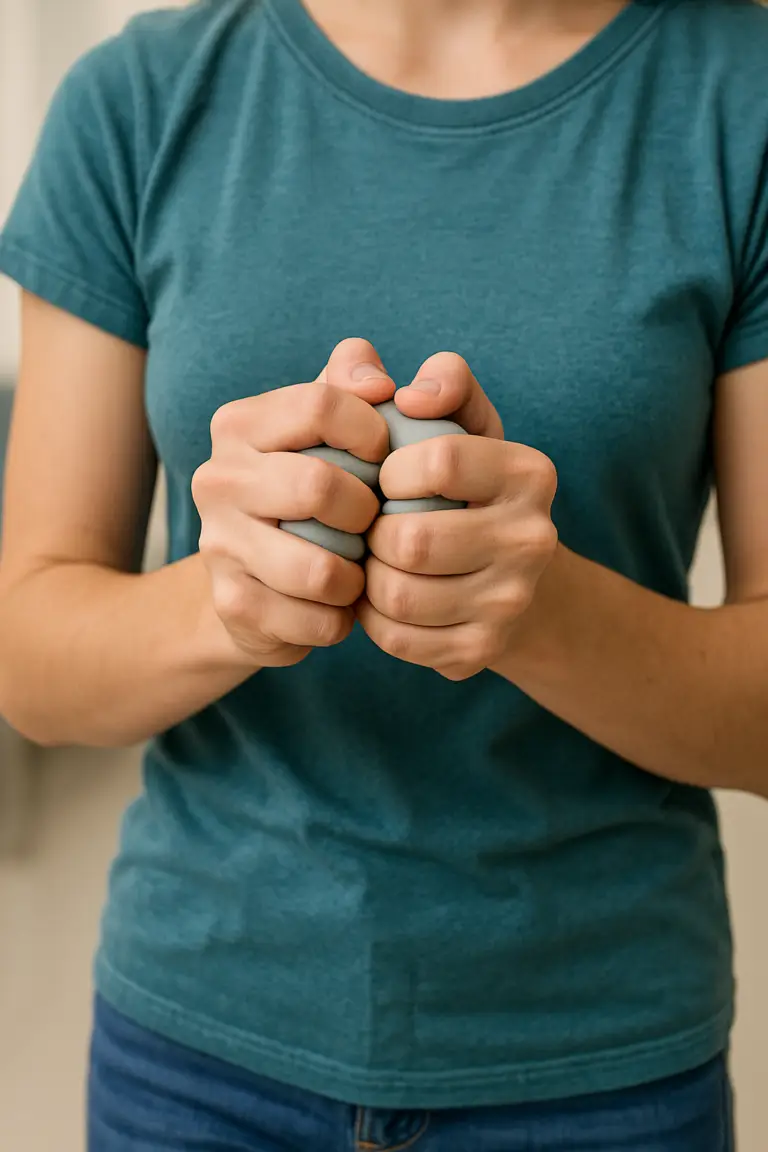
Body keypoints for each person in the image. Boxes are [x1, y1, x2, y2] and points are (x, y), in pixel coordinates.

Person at [0, 0, 766, 1147]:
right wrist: (227, 599)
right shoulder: (139, 99)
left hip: (599, 1071)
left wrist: (537, 607)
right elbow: (28, 661)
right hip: (197, 1066)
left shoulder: (740, 98)